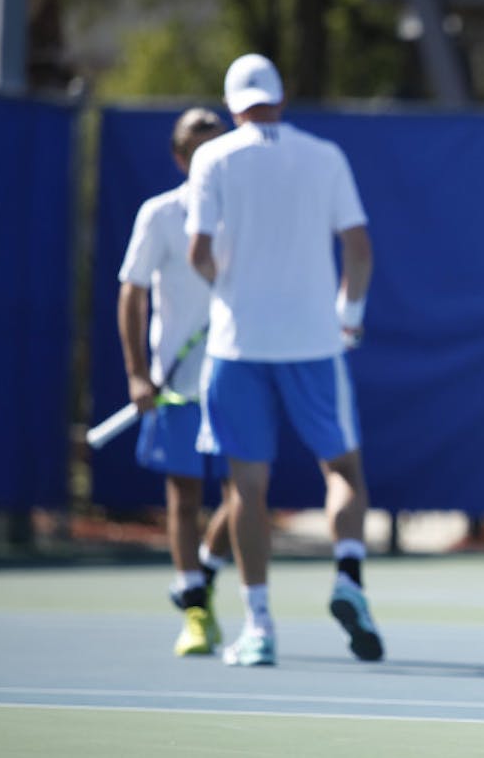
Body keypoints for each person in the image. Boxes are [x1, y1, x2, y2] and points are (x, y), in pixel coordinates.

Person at [186, 53, 381, 668]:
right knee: (344, 469)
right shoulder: (325, 156)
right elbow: (359, 250)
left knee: (247, 487)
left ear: (231, 104)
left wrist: (229, 295)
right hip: (315, 343)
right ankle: (348, 577)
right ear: (280, 97)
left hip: (236, 346)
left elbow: (197, 252)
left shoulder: (211, 157)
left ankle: (260, 626)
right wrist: (349, 315)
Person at [117, 107, 233, 657]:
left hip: (239, 374)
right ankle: (194, 611)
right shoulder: (159, 215)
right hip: (176, 383)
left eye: (218, 144)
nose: (209, 155)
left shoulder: (248, 213)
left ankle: (201, 574)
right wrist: (138, 373)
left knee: (245, 495)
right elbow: (132, 293)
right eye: (199, 147)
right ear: (180, 158)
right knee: (183, 497)